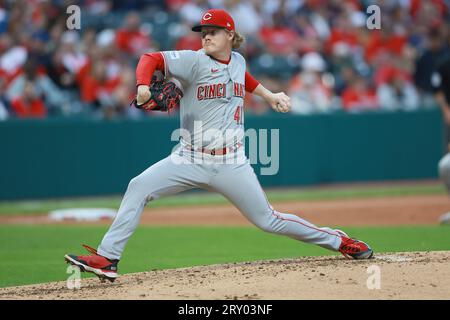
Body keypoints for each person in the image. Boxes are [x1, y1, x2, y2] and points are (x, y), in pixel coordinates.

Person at [65, 9, 373, 282]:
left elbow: (246, 79)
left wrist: (270, 95)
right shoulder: (192, 61)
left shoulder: (237, 60)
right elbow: (151, 58)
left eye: (212, 32)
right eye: (202, 32)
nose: (205, 37)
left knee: (268, 220)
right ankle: (108, 258)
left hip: (231, 162)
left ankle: (339, 241)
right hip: (188, 158)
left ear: (229, 34)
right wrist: (144, 87)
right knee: (138, 186)